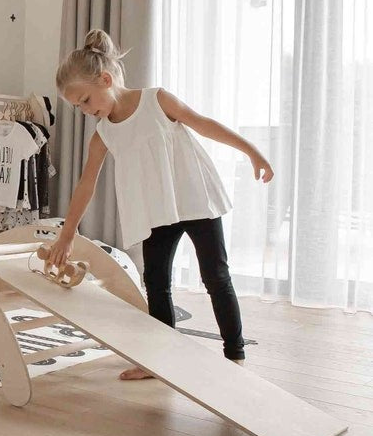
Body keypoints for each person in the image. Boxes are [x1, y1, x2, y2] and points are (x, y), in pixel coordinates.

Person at [47, 29, 274, 380]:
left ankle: (235, 356)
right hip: (156, 211)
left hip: (194, 199)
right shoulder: (104, 133)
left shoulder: (157, 100)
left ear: (106, 80)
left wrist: (251, 151)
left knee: (216, 275)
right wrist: (66, 234)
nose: (85, 111)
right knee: (156, 282)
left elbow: (204, 125)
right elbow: (85, 185)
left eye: (86, 101)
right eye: (79, 107)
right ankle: (160, 359)